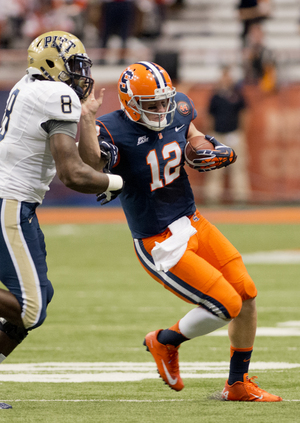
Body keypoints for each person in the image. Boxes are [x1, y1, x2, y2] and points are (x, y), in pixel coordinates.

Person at [80, 61, 282, 402]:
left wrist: (209, 149)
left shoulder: (179, 107)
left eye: (165, 101)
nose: (162, 110)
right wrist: (86, 122)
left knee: (246, 293)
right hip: (157, 239)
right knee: (226, 304)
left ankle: (237, 383)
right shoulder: (111, 129)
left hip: (192, 219)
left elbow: (193, 136)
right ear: (129, 103)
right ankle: (164, 340)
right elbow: (92, 164)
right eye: (153, 104)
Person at [0, 30, 123, 409]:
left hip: (17, 202)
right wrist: (119, 182)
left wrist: (87, 117)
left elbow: (90, 161)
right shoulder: (55, 94)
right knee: (31, 308)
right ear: (52, 64)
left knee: (39, 299)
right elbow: (74, 174)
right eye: (74, 66)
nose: (80, 74)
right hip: (9, 202)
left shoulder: (35, 87)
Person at [204, 65, 251, 204]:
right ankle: (212, 196)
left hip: (234, 134)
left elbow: (245, 113)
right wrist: (210, 135)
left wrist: (241, 131)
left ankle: (241, 196)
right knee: (215, 168)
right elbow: (210, 116)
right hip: (218, 135)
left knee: (239, 167)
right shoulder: (215, 96)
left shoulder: (237, 94)